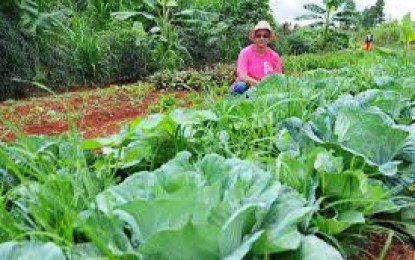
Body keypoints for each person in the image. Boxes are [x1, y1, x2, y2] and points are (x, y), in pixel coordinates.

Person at [230, 20, 283, 95]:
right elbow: (242, 76)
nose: (262, 38)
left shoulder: (274, 56)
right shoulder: (245, 52)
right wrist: (259, 85)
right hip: (248, 86)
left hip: (266, 90)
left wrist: (267, 88)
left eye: (265, 36)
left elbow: (279, 78)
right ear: (254, 37)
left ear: (269, 39)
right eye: (258, 35)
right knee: (240, 86)